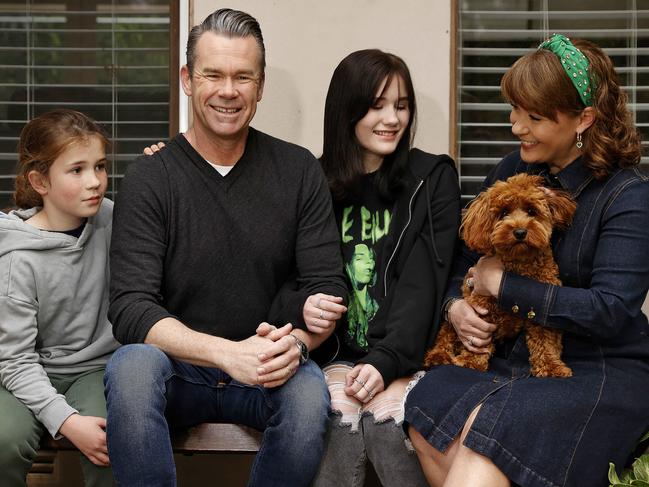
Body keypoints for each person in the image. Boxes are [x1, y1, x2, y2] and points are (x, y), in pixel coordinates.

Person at [104, 8, 347, 487]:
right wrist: (226, 354)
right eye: (213, 74)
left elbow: (327, 288)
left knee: (307, 394)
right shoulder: (151, 178)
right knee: (131, 367)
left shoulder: (298, 171)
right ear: (188, 80)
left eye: (243, 77)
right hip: (178, 371)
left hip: (267, 368)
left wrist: (293, 346)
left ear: (260, 86)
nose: (228, 90)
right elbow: (130, 308)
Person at [405, 34, 649, 487]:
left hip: (595, 368)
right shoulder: (508, 172)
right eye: (515, 109)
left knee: (482, 446)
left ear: (584, 119)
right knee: (428, 406)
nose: (516, 126)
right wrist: (455, 309)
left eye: (534, 116)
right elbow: (463, 262)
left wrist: (505, 287)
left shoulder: (629, 196)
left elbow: (611, 311)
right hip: (509, 358)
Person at [312, 49, 461, 487]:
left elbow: (424, 287)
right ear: (347, 110)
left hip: (409, 356)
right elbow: (293, 278)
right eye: (377, 105)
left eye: (401, 105)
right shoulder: (314, 183)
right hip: (336, 356)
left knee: (385, 422)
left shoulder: (430, 179)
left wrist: (385, 361)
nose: (392, 118)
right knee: (338, 419)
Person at [0, 109, 116, 487]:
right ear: (40, 181)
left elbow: (168, 213)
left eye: (99, 167)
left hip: (94, 369)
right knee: (4, 441)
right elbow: (14, 358)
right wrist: (66, 421)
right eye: (77, 170)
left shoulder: (115, 221)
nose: (95, 182)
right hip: (24, 371)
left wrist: (162, 166)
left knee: (112, 439)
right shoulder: (17, 257)